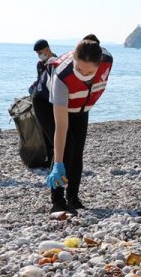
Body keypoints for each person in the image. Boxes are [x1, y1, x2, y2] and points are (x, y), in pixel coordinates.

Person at [45, 34, 113, 214]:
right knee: (67, 148)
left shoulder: (106, 60)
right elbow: (60, 126)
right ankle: (57, 201)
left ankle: (73, 198)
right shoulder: (62, 75)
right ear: (74, 60)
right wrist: (58, 163)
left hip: (80, 107)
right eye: (79, 69)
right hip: (47, 103)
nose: (83, 75)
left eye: (89, 72)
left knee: (77, 152)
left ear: (98, 66)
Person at [30, 39, 55, 165]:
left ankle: (56, 157)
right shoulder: (40, 64)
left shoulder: (57, 61)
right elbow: (40, 79)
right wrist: (34, 86)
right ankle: (49, 157)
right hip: (42, 100)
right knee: (44, 129)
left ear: (47, 48)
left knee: (53, 129)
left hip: (53, 100)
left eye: (40, 52)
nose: (39, 55)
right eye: (37, 53)